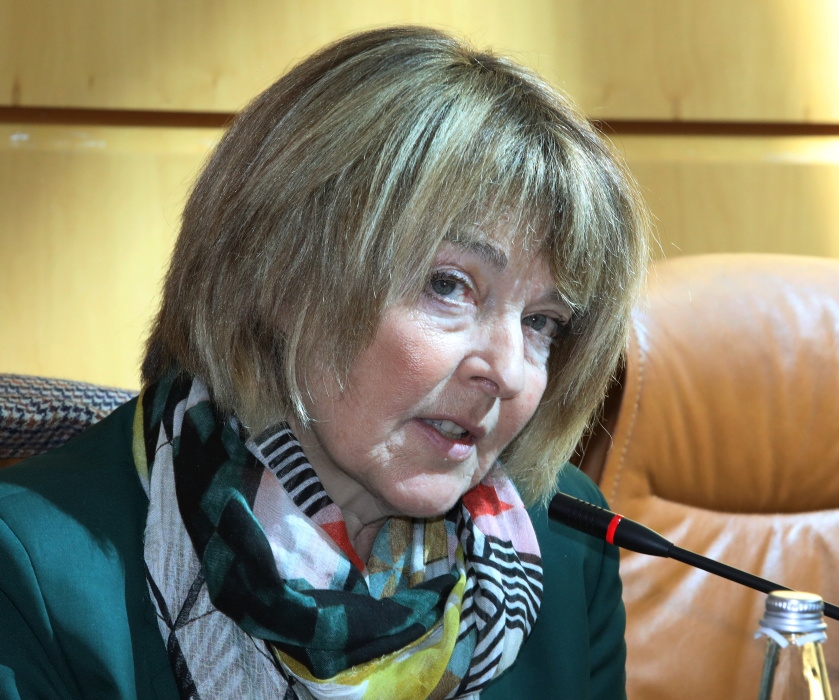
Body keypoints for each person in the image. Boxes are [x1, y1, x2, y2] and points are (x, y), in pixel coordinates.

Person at [0, 25, 650, 699]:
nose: (508, 373)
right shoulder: (32, 568)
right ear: (278, 273)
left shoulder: (563, 543)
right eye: (449, 285)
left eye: (542, 322)